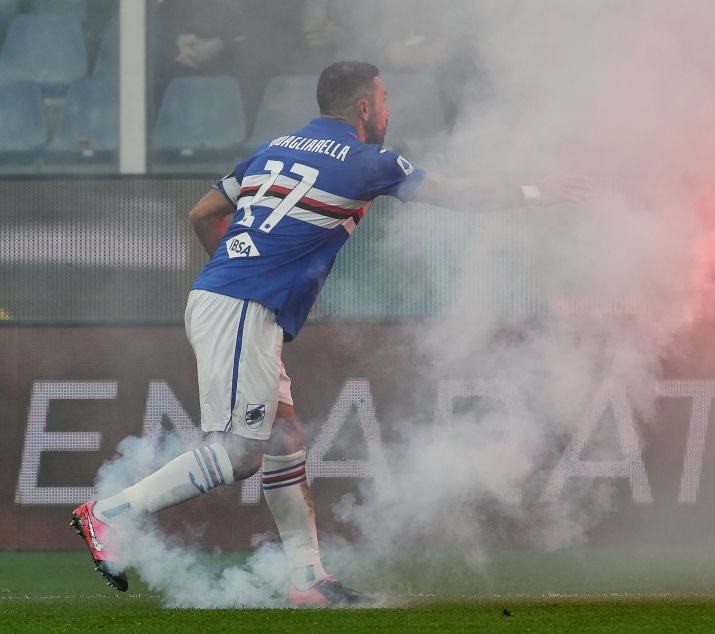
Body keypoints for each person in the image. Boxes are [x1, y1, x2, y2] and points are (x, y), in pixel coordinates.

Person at [69, 61, 581, 607]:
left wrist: (237, 265)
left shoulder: (273, 150)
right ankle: (107, 513)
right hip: (243, 305)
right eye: (384, 100)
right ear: (364, 108)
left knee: (283, 440)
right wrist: (534, 193)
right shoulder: (368, 161)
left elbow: (203, 213)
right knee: (241, 452)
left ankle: (307, 578)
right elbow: (453, 194)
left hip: (228, 296)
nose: (388, 111)